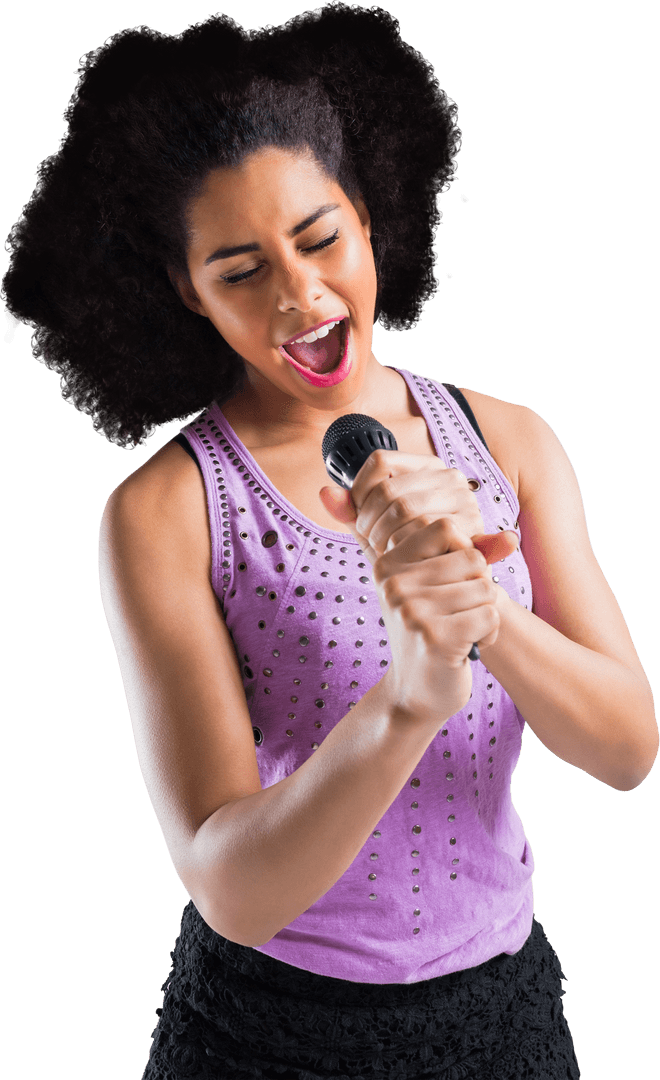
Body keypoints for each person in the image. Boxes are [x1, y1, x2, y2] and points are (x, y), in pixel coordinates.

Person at [2, 4, 656, 1078]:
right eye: (240, 269)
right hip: (268, 1033)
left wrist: (480, 613)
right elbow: (229, 887)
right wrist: (406, 701)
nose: (301, 298)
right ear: (186, 290)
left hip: (506, 1018)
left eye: (320, 239)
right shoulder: (166, 512)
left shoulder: (513, 443)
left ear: (369, 215)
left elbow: (627, 750)